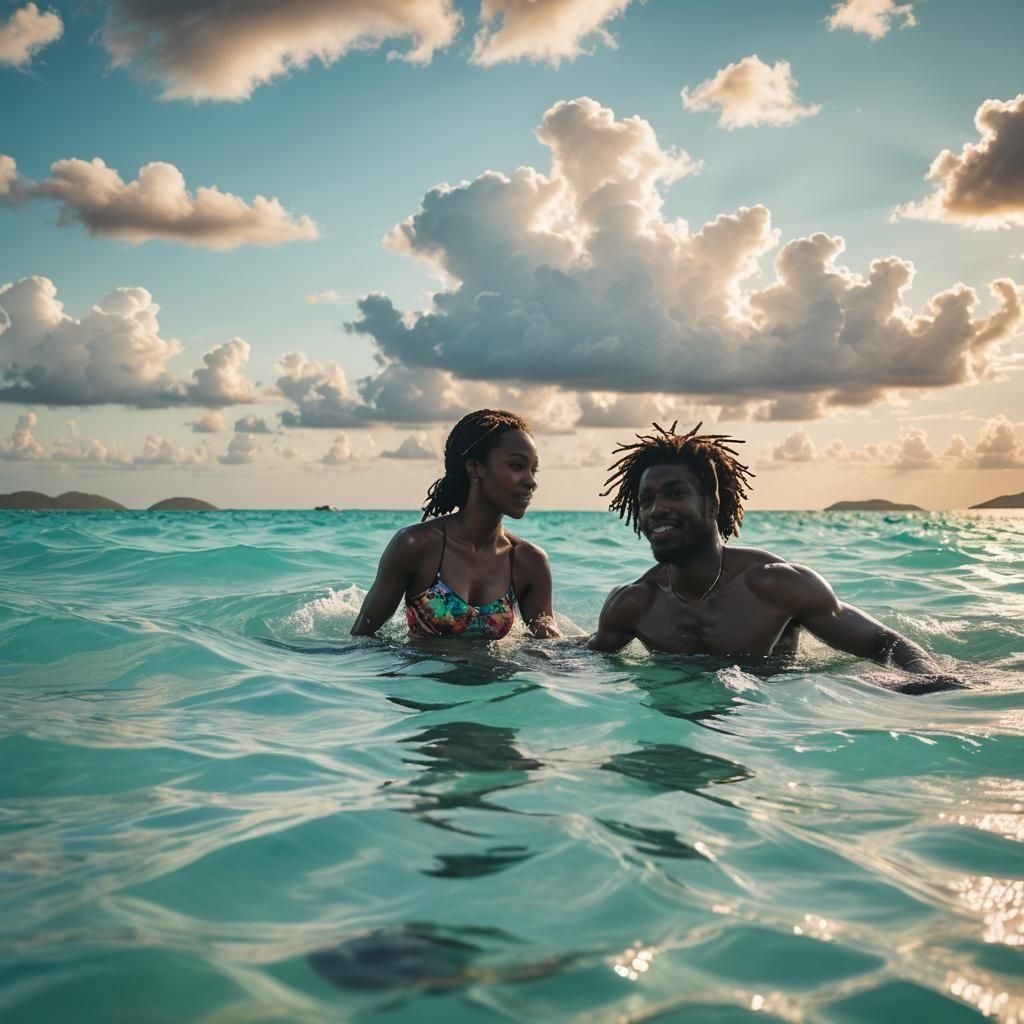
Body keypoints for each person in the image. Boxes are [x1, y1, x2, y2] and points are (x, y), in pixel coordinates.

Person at [587, 422, 961, 691]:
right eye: (646, 500)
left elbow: (885, 643)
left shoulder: (776, 585)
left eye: (675, 494)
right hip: (672, 716)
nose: (657, 509)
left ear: (713, 504)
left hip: (768, 723)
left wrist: (929, 684)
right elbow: (587, 661)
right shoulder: (635, 604)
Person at [351, 410, 560, 640]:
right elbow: (362, 639)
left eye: (533, 470)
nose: (531, 481)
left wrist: (592, 641)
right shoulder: (415, 545)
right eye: (517, 466)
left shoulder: (529, 561)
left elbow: (547, 647)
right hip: (419, 665)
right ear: (475, 468)